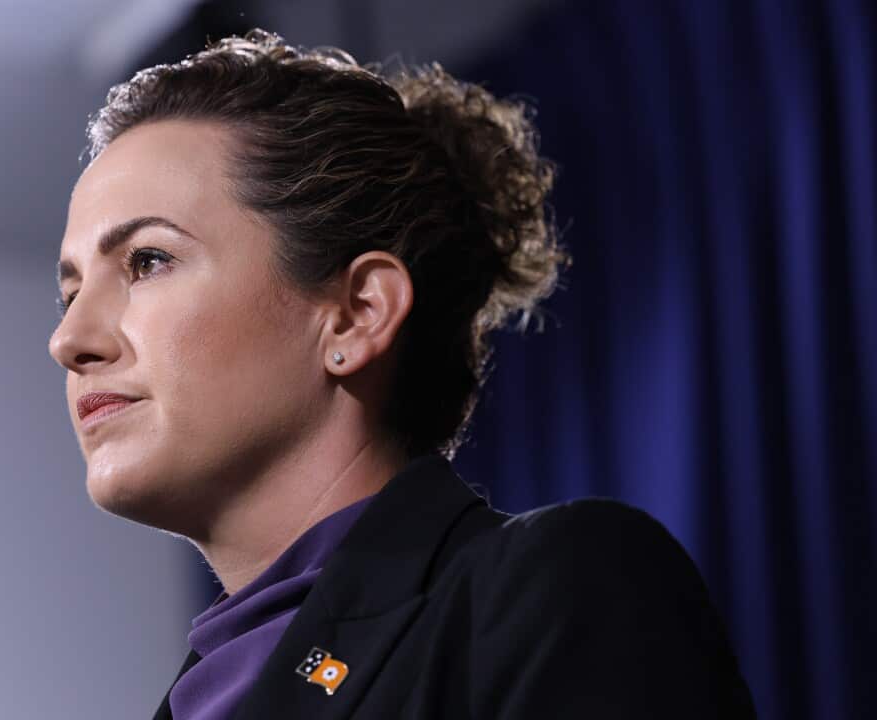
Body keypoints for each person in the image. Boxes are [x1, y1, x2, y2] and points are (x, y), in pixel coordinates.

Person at [48, 29, 755, 719]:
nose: (69, 338)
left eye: (148, 261)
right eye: (71, 291)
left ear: (357, 315)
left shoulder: (558, 591)